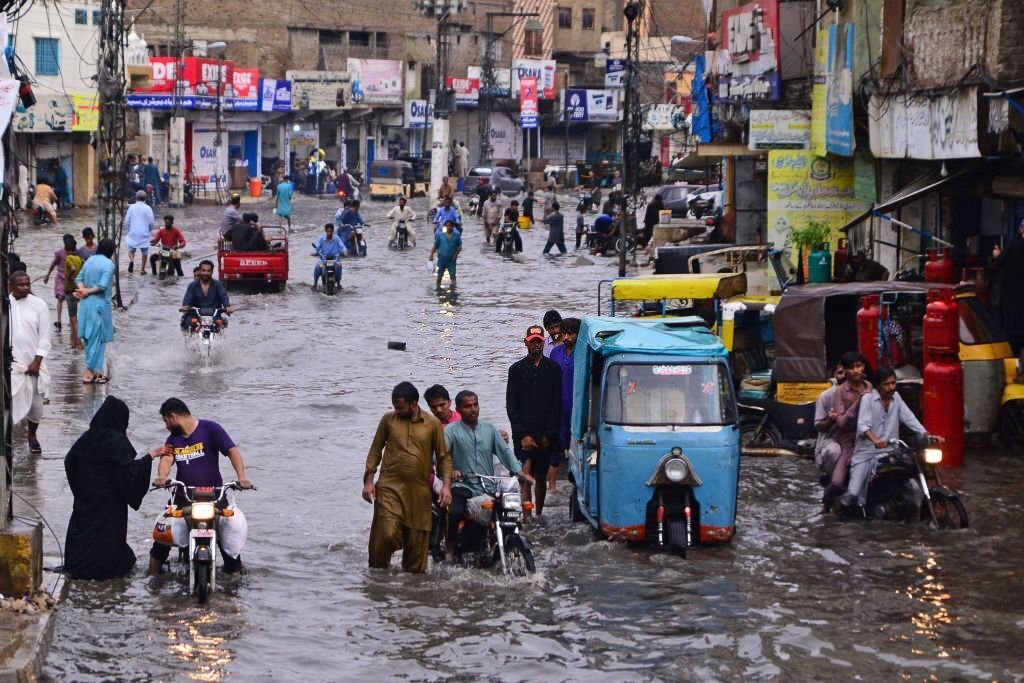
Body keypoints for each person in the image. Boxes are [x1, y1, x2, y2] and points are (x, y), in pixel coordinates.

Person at [64, 396, 170, 579]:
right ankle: (108, 572)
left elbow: (69, 461)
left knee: (83, 532)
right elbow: (129, 473)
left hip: (86, 500)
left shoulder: (86, 438)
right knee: (108, 539)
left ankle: (76, 568)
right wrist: (150, 457)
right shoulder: (118, 441)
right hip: (110, 504)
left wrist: (81, 489)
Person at [149, 398, 254, 575]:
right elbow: (167, 459)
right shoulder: (173, 439)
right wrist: (162, 477)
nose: (166, 426)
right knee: (161, 539)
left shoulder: (211, 428)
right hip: (183, 497)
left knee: (228, 544)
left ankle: (235, 582)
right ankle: (152, 580)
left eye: (166, 421)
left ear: (173, 417)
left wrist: (242, 477)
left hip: (215, 496)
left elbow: (232, 451)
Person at [363, 382, 452, 573]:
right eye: (395, 407)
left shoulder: (432, 424)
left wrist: (446, 486)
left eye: (400, 408)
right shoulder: (388, 420)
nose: (397, 411)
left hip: (419, 492)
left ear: (413, 404)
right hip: (389, 487)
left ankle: (413, 595)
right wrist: (369, 482)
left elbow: (444, 457)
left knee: (416, 546)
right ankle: (377, 579)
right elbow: (375, 450)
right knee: (385, 534)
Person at [836, 367, 943, 512]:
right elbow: (863, 425)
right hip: (866, 454)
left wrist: (927, 436)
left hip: (891, 451)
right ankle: (835, 514)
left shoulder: (896, 398)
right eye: (887, 384)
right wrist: (875, 440)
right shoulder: (868, 399)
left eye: (893, 383)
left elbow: (910, 419)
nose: (892, 387)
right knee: (853, 493)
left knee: (909, 470)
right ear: (878, 386)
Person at [444, 390, 532, 560]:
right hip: (463, 484)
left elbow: (505, 452)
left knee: (509, 512)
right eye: (467, 406)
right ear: (459, 409)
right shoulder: (450, 431)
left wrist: (520, 473)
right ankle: (451, 546)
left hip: (487, 485)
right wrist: (450, 471)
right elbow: (440, 455)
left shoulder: (489, 429)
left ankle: (502, 543)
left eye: (475, 405)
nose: (473, 409)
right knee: (455, 512)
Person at [506, 325, 562, 518]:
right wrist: (522, 435)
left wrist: (549, 435)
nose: (536, 345)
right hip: (523, 433)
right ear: (526, 343)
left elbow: (557, 404)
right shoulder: (515, 370)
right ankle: (527, 518)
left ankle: (538, 514)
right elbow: (511, 407)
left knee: (540, 477)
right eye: (533, 341)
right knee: (525, 476)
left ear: (543, 342)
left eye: (539, 341)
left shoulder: (553, 369)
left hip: (545, 432)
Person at [822, 351, 874, 508]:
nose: (857, 371)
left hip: (869, 438)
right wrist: (859, 402)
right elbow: (841, 422)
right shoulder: (841, 392)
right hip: (849, 441)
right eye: (852, 368)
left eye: (859, 366)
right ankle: (826, 505)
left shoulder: (869, 386)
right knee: (837, 482)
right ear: (845, 370)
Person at [9, 271, 51, 454]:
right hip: (11, 365)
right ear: (11, 287)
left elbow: (45, 337)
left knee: (36, 406)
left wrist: (37, 361)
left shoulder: (38, 305)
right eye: (21, 284)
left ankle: (32, 435)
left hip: (33, 365)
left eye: (28, 284)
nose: (26, 287)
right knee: (7, 404)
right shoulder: (5, 304)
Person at [74, 238, 116, 384]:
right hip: (99, 305)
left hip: (86, 304)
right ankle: (89, 372)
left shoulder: (89, 260)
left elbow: (78, 278)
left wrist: (82, 290)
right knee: (96, 339)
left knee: (89, 338)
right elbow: (103, 286)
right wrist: (87, 290)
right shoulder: (108, 264)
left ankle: (95, 371)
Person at [548, 317, 579, 491]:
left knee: (576, 448)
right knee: (555, 447)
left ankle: (575, 485)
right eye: (564, 333)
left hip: (577, 409)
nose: (566, 337)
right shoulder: (555, 353)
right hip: (558, 407)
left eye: (570, 333)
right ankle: (551, 487)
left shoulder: (584, 353)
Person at [992, 218, 1024, 354]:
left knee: (1013, 330)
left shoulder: (1014, 245)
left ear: (1021, 229)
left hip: (1013, 297)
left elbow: (998, 264)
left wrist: (997, 255)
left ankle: (1015, 360)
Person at [813, 363, 846, 486]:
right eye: (840, 373)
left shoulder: (860, 393)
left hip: (851, 440)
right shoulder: (825, 397)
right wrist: (831, 419)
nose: (844, 377)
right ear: (835, 375)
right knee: (834, 451)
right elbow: (818, 425)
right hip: (830, 441)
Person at [180, 260, 233, 330]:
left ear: (212, 272)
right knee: (190, 323)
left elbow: (224, 297)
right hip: (196, 316)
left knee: (221, 324)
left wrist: (227, 307)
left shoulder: (218, 285)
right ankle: (194, 337)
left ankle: (219, 340)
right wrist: (185, 307)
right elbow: (187, 300)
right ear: (200, 271)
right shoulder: (192, 286)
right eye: (203, 270)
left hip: (214, 316)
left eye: (208, 271)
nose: (206, 273)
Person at [43, 234, 74, 332]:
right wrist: (47, 275)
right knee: (60, 298)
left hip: (71, 279)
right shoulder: (59, 253)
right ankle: (59, 320)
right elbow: (53, 264)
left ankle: (71, 320)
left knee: (71, 300)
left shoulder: (75, 253)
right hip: (61, 279)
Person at [124, 190, 155, 274]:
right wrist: (149, 230)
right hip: (144, 233)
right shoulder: (148, 208)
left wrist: (129, 230)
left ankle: (132, 260)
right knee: (144, 252)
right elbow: (151, 222)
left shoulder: (131, 207)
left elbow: (127, 221)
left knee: (131, 249)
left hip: (133, 232)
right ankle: (142, 269)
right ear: (145, 198)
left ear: (136, 198)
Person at [312, 223, 347, 290]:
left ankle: (339, 283)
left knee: (339, 266)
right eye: (328, 231)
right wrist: (314, 253)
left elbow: (342, 246)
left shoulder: (337, 238)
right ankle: (315, 283)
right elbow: (316, 248)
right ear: (325, 231)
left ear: (333, 231)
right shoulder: (321, 239)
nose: (329, 233)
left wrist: (345, 251)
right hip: (324, 260)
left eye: (331, 231)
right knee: (318, 266)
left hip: (335, 260)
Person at [63, 240, 84, 351]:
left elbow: (72, 268)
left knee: (73, 318)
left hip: (70, 290)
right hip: (78, 289)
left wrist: (69, 278)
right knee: (75, 317)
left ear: (66, 248)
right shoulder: (79, 259)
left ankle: (78, 343)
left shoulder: (69, 258)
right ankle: (77, 342)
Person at [430, 219, 462, 289]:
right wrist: (431, 255)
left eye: (450, 226)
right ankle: (438, 290)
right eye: (447, 226)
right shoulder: (440, 235)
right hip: (441, 260)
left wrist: (456, 255)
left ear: (453, 226)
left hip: (452, 260)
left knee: (453, 278)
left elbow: (460, 247)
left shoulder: (456, 235)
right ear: (445, 226)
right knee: (439, 277)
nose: (448, 227)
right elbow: (435, 246)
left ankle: (454, 291)